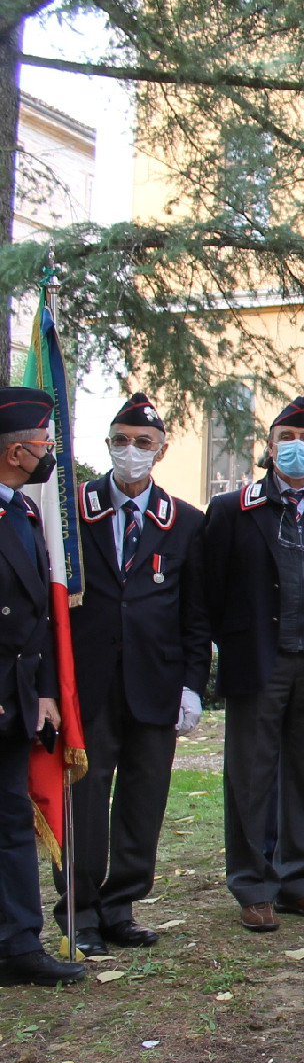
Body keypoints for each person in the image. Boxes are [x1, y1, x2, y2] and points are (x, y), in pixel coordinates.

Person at [200, 396, 304, 932]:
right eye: (287, 438)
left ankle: (297, 880)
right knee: (251, 777)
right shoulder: (232, 510)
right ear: (269, 448)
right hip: (259, 663)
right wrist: (234, 644)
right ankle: (253, 885)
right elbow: (209, 591)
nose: (298, 448)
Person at [59, 394, 209, 955]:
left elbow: (195, 614)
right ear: (107, 445)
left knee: (143, 799)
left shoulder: (185, 523)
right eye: (121, 440)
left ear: (162, 450)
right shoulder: (71, 512)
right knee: (85, 801)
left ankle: (121, 907)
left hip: (155, 683)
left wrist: (193, 683)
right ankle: (79, 913)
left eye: (143, 443)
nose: (131, 451)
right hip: (88, 683)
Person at [0, 389, 86, 985]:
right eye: (43, 443)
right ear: (14, 452)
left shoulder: (22, 512)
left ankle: (17, 942)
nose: (48, 453)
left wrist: (42, 692)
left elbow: (32, 621)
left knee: (9, 819)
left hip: (16, 694)